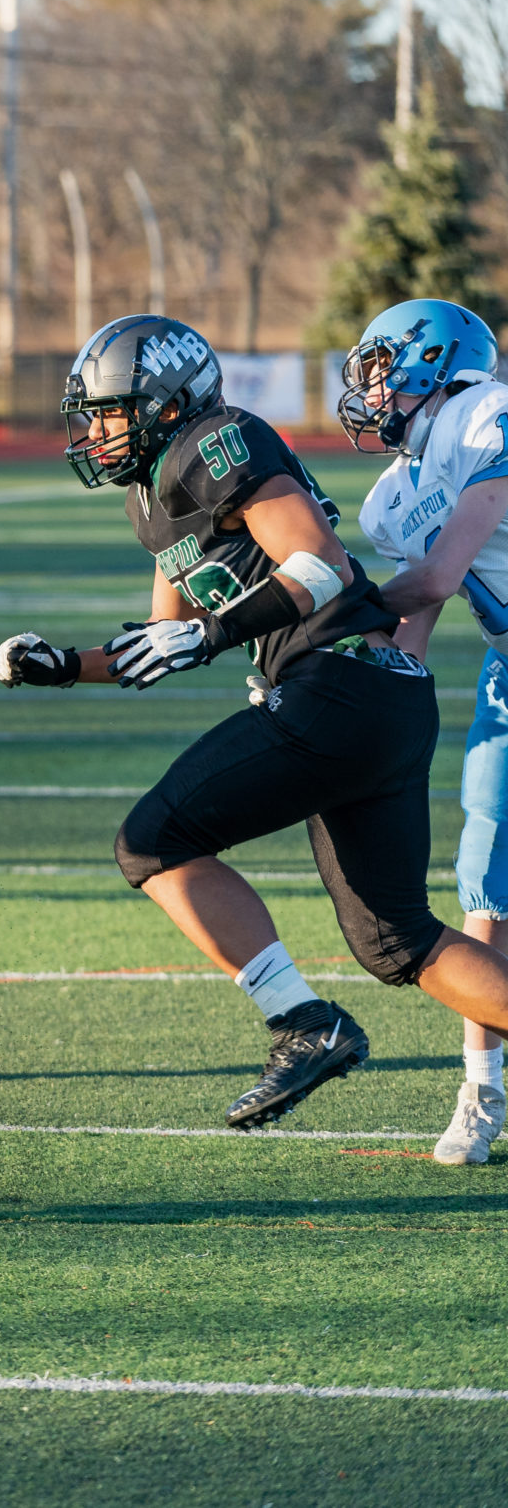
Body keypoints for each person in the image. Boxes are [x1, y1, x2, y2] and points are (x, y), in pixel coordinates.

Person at [0, 313, 508, 1130]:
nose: (96, 429)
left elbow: (320, 566)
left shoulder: (217, 440)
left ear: (166, 401)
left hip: (335, 684)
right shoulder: (153, 492)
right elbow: (157, 640)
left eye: (111, 410)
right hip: (374, 698)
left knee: (152, 839)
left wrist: (210, 632)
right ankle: (310, 1022)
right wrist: (62, 665)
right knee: (397, 942)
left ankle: (303, 1022)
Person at [342, 299, 508, 1163]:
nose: (367, 388)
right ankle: (482, 1089)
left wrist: (317, 609)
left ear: (431, 363)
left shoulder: (487, 416)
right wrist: (369, 681)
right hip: (507, 669)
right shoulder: (396, 491)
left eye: (379, 367)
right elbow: (422, 613)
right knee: (485, 880)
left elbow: (441, 569)